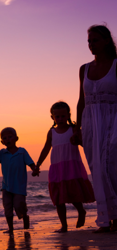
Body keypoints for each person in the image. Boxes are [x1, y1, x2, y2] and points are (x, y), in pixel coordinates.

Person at [72, 25, 117, 233]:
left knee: (111, 166)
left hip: (113, 119)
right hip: (90, 122)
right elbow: (81, 100)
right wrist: (77, 128)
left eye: (95, 40)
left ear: (107, 40)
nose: (91, 45)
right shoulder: (84, 69)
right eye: (89, 41)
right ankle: (106, 219)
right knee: (97, 168)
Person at [36, 102, 95, 233]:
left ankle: (81, 211)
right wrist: (38, 164)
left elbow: (85, 144)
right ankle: (64, 226)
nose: (60, 119)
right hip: (57, 168)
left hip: (72, 167)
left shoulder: (73, 130)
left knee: (74, 193)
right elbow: (46, 148)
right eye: (57, 117)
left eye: (63, 116)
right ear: (52, 117)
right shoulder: (51, 132)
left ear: (68, 115)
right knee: (58, 198)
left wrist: (78, 139)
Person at [0, 127, 39, 235]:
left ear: (16, 138)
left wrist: (34, 169)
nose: (8, 139)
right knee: (7, 208)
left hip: (19, 186)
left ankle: (25, 218)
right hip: (6, 186)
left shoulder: (22, 152)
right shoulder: (2, 153)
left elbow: (31, 163)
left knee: (19, 206)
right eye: (5, 138)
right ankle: (10, 228)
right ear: (2, 142)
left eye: (10, 137)